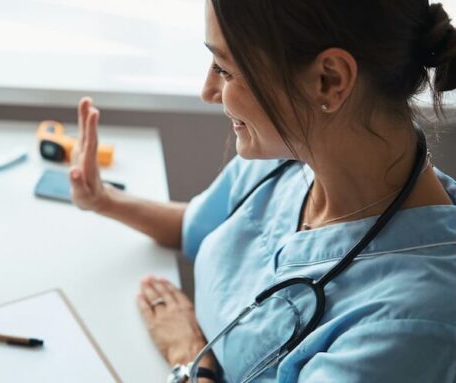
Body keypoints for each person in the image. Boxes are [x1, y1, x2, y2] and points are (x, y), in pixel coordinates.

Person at [69, 0, 456, 381]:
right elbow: (196, 226)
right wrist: (103, 199)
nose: (208, 90)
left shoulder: (411, 325)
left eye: (225, 69)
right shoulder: (292, 152)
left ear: (329, 80)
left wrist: (189, 361)